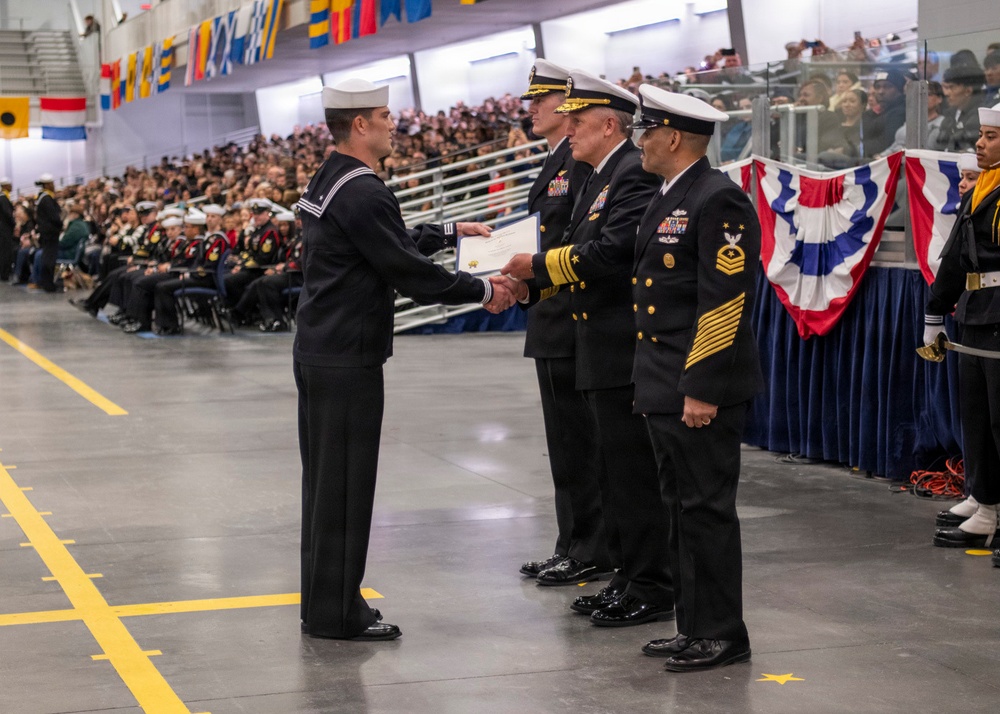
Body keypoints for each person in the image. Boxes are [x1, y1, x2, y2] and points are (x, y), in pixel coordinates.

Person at [294, 78, 512, 642]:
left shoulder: (332, 176)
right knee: (344, 486)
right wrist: (483, 291)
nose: (396, 124)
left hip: (322, 347)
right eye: (386, 116)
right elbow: (406, 272)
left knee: (324, 486)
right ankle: (337, 616)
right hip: (347, 356)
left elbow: (373, 244)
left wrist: (444, 232)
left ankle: (324, 602)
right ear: (361, 125)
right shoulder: (365, 190)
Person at [501, 70, 673, 626]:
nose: (568, 131)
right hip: (592, 337)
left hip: (619, 343)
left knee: (628, 474)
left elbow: (610, 250)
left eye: (577, 122)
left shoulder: (628, 173)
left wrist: (538, 270)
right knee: (611, 469)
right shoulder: (603, 173)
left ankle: (647, 582)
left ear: (606, 124)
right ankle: (625, 575)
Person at [628, 85, 763, 671]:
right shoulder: (671, 194)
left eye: (646, 130)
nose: (640, 141)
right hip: (662, 377)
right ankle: (694, 624)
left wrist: (701, 387)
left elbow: (724, 301)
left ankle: (723, 632)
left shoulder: (718, 199)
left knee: (706, 509)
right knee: (679, 507)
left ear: (673, 136)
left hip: (697, 382)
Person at [514, 60, 611, 583]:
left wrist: (524, 278)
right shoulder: (558, 160)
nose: (532, 109)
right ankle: (572, 541)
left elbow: (571, 245)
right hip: (550, 313)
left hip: (568, 316)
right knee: (566, 447)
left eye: (541, 101)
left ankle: (589, 547)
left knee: (579, 445)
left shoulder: (576, 164)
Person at [923, 103, 1000, 557]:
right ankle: (987, 503)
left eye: (990, 136)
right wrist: (936, 313)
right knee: (977, 418)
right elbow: (954, 257)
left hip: (999, 314)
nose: (979, 143)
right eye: (981, 135)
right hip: (975, 311)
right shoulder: (982, 188)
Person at [935, 65, 987, 152]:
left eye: (952, 87)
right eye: (946, 87)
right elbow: (940, 144)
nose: (947, 93)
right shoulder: (949, 115)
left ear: (968, 91)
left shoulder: (980, 117)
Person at [33, 173, 62, 292]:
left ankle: (46, 282)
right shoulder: (47, 199)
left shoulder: (41, 198)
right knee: (49, 258)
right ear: (48, 184)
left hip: (45, 232)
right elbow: (54, 217)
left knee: (46, 256)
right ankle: (48, 284)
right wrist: (61, 224)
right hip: (50, 233)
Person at [0, 177, 14, 282]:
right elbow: (8, 215)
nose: (11, 186)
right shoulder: (3, 198)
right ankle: (4, 274)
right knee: (5, 252)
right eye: (9, 184)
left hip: (3, 229)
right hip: (4, 229)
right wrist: (14, 224)